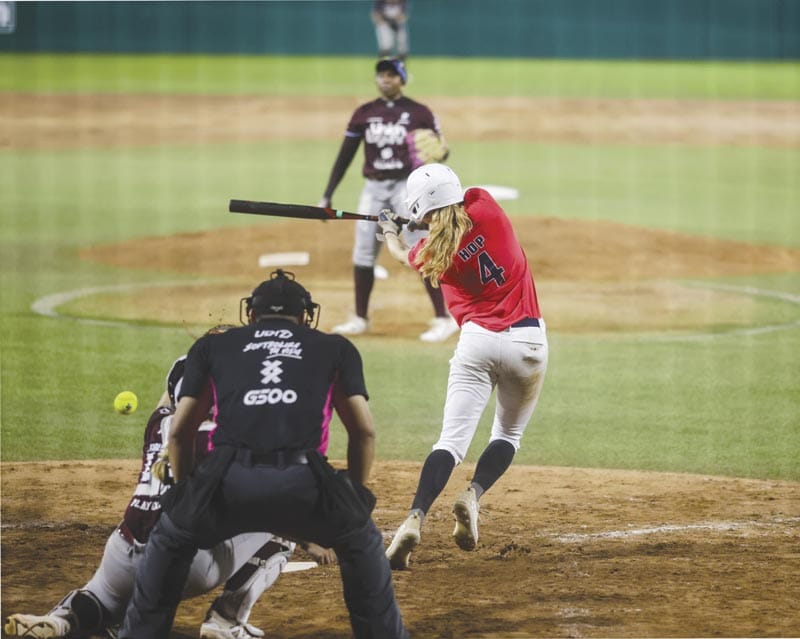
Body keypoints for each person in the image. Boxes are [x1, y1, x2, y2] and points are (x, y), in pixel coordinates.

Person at [118, 270, 407, 639]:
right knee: (362, 543)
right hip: (304, 484)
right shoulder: (335, 348)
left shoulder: (213, 346)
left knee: (169, 541)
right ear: (305, 316)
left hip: (226, 482)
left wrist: (188, 493)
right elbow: (364, 431)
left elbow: (180, 431)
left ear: (251, 315)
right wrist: (356, 496)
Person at [4, 332, 334, 639]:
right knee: (279, 525)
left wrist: (200, 359)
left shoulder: (157, 423)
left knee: (101, 597)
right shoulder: (228, 437)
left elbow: (176, 390)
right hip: (186, 565)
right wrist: (308, 540)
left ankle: (62, 621)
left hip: (123, 551)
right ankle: (226, 621)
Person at [377, 164, 549, 569]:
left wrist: (392, 229)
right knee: (508, 433)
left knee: (449, 443)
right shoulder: (486, 207)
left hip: (477, 345)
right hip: (528, 343)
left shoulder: (431, 255)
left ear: (421, 209)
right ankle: (472, 495)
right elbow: (458, 208)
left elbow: (405, 255)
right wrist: (423, 218)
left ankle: (413, 519)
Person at [319, 57, 458, 343]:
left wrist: (441, 154)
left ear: (402, 79)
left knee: (421, 248)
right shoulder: (364, 113)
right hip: (373, 189)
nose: (385, 79)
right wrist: (328, 192)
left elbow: (441, 149)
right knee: (363, 252)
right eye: (381, 74)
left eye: (392, 75)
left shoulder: (420, 113)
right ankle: (360, 318)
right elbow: (345, 155)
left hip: (407, 189)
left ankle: (443, 318)